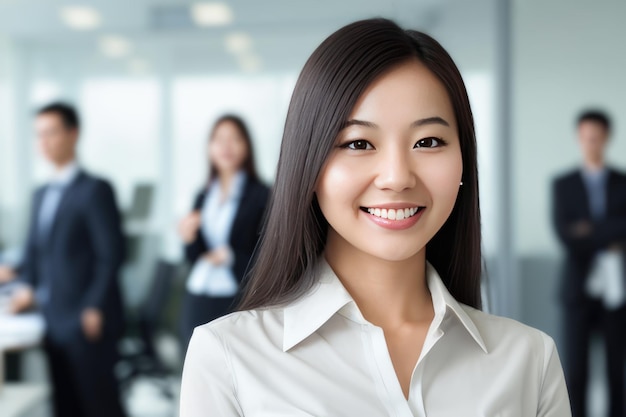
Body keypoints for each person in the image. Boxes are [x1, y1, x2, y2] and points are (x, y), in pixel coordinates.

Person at [180, 18, 570, 416]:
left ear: (464, 163)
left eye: (428, 141)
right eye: (359, 143)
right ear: (309, 166)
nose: (398, 177)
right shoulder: (229, 359)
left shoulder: (529, 362)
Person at [10, 102, 127, 417]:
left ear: (73, 134)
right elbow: (34, 253)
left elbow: (112, 254)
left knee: (99, 403)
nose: (43, 142)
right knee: (65, 404)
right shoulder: (40, 194)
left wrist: (94, 305)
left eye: (51, 133)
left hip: (86, 318)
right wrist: (25, 285)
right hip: (53, 316)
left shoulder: (95, 190)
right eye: (38, 135)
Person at [552, 110, 626, 417]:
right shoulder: (563, 184)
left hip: (617, 291)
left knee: (616, 372)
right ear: (578, 138)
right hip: (577, 289)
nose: (591, 143)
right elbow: (565, 234)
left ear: (606, 138)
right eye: (585, 137)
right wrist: (609, 231)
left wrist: (588, 228)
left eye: (596, 137)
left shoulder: (623, 182)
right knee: (576, 372)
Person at [178, 114, 269, 350]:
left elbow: (268, 256)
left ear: (247, 146)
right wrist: (188, 238)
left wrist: (229, 256)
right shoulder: (203, 195)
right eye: (219, 139)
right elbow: (192, 256)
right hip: (199, 292)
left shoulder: (261, 195)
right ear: (210, 148)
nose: (226, 146)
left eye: (234, 139)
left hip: (236, 296)